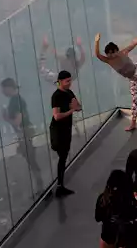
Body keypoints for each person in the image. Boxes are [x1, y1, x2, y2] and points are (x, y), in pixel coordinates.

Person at [95, 21, 137, 132]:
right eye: (108, 53)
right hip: (134, 79)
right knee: (135, 101)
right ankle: (133, 123)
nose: (111, 55)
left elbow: (134, 43)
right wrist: (97, 42)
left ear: (116, 50)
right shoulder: (109, 61)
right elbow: (97, 55)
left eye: (112, 52)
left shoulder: (123, 53)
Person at [0, 77, 41, 181]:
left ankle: (40, 183)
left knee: (31, 159)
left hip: (25, 131)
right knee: (30, 158)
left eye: (3, 89)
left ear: (9, 88)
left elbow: (17, 121)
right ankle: (39, 183)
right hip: (25, 132)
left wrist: (6, 118)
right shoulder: (16, 100)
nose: (2, 92)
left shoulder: (16, 101)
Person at [95, 169, 137, 248]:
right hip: (124, 238)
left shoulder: (102, 198)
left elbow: (98, 218)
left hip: (107, 236)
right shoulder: (128, 200)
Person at [50, 69, 80, 197]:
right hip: (58, 130)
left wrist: (76, 107)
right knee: (62, 156)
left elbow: (77, 106)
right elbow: (56, 116)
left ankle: (60, 185)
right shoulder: (56, 96)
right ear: (61, 81)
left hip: (66, 129)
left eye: (70, 80)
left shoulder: (69, 93)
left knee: (63, 157)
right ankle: (59, 185)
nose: (69, 83)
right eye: (67, 81)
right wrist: (71, 110)